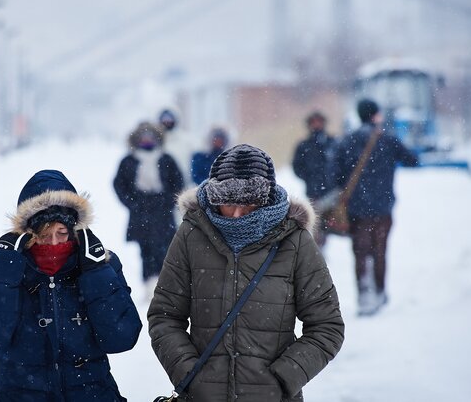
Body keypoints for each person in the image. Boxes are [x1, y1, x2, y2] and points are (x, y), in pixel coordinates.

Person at [148, 144, 345, 402]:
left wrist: (283, 378)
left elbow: (327, 326)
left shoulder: (295, 242)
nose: (238, 214)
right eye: (228, 203)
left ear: (265, 201)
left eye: (249, 204)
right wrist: (191, 376)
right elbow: (165, 317)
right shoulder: (190, 235)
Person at [0, 169, 142, 401]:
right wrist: (3, 270)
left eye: (62, 233)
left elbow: (122, 338)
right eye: (44, 235)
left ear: (74, 231)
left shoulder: (100, 265)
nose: (54, 243)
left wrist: (97, 272)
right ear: (27, 234)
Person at [334, 99, 419, 316]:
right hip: (383, 208)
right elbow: (412, 160)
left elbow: (334, 175)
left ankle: (364, 296)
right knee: (379, 250)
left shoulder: (348, 141)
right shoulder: (387, 140)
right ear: (376, 116)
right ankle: (380, 292)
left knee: (360, 252)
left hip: (357, 210)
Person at [113, 121, 184, 299]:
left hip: (163, 213)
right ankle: (148, 286)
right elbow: (119, 185)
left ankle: (165, 286)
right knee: (145, 251)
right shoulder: (128, 160)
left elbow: (178, 183)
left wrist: (168, 201)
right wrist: (133, 203)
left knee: (166, 250)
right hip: (140, 213)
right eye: (143, 137)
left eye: (150, 137)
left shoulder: (166, 159)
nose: (146, 140)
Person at [291, 111, 337, 247]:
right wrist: (309, 178)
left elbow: (339, 164)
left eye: (319, 122)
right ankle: (318, 249)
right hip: (313, 191)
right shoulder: (304, 145)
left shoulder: (332, 142)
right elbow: (297, 166)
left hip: (332, 192)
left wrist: (333, 179)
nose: (316, 125)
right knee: (316, 223)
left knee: (331, 222)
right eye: (313, 122)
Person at [159, 108, 194, 187]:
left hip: (183, 182)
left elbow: (190, 162)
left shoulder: (185, 140)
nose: (167, 122)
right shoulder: (157, 141)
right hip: (163, 185)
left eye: (169, 119)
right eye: (164, 120)